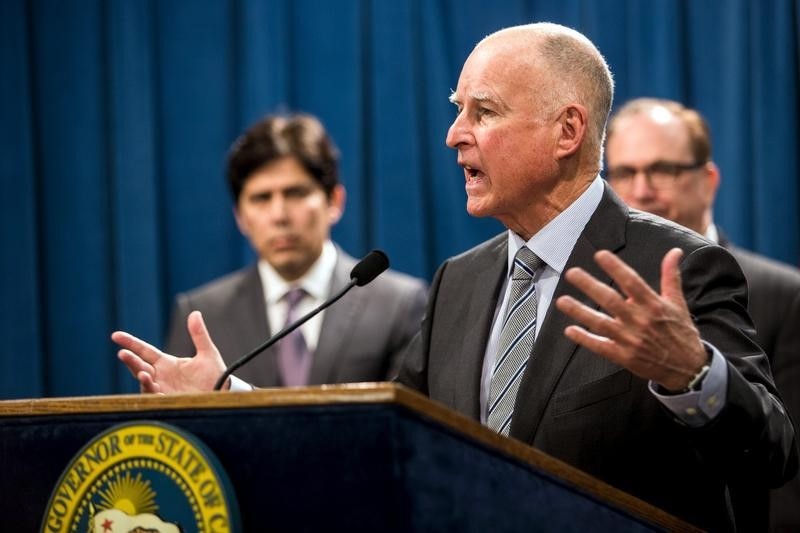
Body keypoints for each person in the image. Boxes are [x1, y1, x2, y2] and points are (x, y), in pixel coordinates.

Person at [112, 24, 797, 531]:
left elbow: (774, 450)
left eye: (483, 112)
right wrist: (228, 394)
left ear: (567, 131)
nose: (454, 135)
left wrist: (692, 373)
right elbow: (378, 438)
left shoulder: (676, 266)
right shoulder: (459, 282)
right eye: (455, 109)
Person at [605, 97, 800, 532]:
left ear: (708, 181)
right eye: (625, 173)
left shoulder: (785, 296)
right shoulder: (593, 293)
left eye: (663, 170)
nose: (642, 190)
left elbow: (791, 480)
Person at [164, 113, 426, 387]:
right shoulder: (201, 314)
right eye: (261, 198)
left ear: (334, 201)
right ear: (240, 216)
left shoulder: (399, 305)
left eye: (296, 193)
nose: (279, 215)